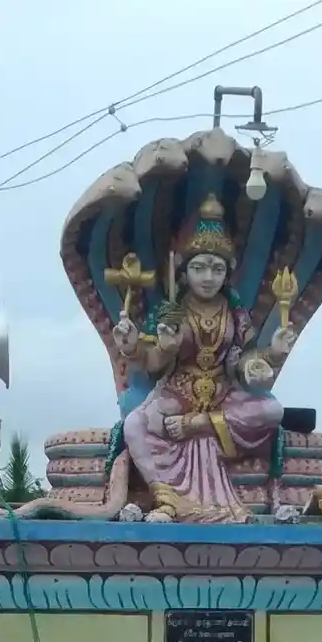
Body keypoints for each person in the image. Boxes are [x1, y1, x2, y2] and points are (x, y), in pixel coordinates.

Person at [115, 196, 293, 522]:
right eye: (199, 268)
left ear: (227, 274)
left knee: (272, 410)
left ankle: (202, 426)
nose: (208, 277)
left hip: (223, 397)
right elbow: (152, 365)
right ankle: (167, 501)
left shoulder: (235, 314)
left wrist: (271, 355)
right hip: (177, 394)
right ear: (184, 272)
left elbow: (242, 361)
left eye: (217, 269)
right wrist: (138, 346)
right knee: (134, 424)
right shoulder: (171, 311)